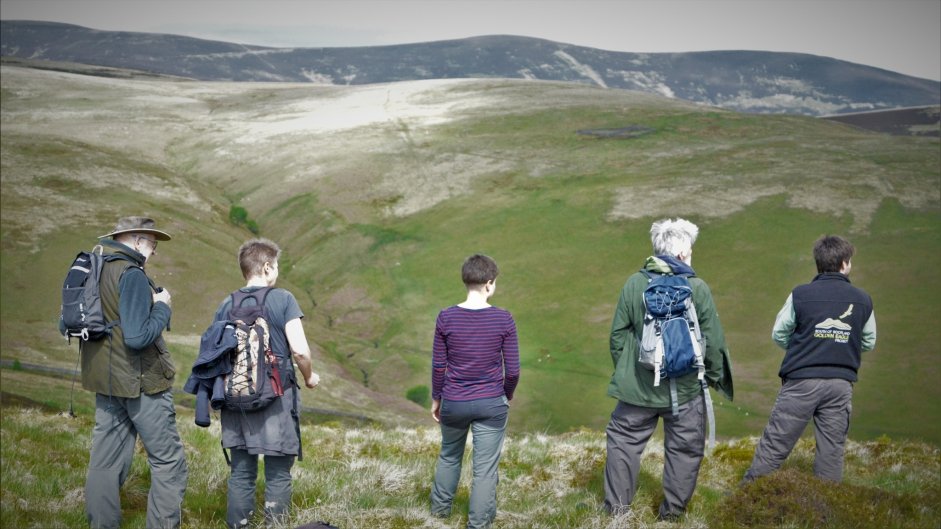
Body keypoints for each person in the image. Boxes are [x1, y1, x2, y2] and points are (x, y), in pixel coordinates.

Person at [604, 218, 733, 520]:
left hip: (637, 391)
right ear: (683, 252)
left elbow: (618, 336)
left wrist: (629, 372)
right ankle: (672, 516)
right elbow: (713, 341)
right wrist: (711, 377)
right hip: (685, 391)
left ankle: (617, 515)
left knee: (623, 444)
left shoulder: (634, 283)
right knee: (684, 451)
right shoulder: (697, 288)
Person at [75, 216, 188, 529]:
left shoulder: (93, 267)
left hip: (106, 381)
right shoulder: (132, 274)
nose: (153, 252)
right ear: (138, 240)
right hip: (140, 383)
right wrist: (162, 305)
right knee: (168, 463)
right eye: (152, 244)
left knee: (105, 463)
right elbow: (137, 337)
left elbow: (68, 323)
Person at [742, 235, 876, 483]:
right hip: (840, 384)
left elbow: (779, 333)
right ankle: (825, 513)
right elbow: (868, 341)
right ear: (845, 264)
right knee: (831, 452)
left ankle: (747, 499)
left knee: (775, 445)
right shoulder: (863, 299)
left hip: (801, 383)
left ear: (818, 263)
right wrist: (841, 346)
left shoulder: (800, 295)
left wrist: (802, 348)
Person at [212, 238, 320, 528]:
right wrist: (310, 377)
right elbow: (299, 350)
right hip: (276, 397)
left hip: (235, 399)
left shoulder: (226, 304)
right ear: (268, 267)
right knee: (278, 473)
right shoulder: (283, 299)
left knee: (241, 472)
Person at [430, 254, 520, 529]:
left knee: (449, 455)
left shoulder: (446, 317)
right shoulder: (504, 319)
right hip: (491, 402)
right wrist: (506, 395)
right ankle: (478, 524)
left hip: (454, 401)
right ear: (489, 283)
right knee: (484, 470)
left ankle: (438, 515)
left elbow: (438, 366)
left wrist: (437, 398)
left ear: (465, 281)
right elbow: (513, 370)